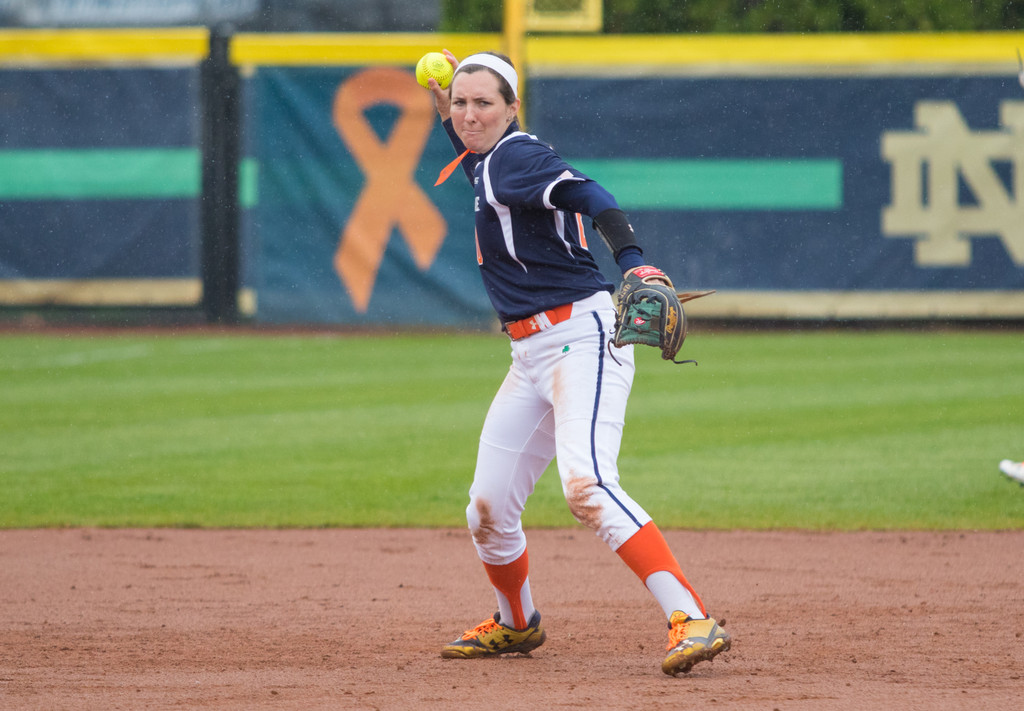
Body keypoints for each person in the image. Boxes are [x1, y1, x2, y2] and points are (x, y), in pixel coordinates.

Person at [424, 49, 731, 676]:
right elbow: (485, 168)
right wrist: (449, 117)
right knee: (487, 506)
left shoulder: (516, 155)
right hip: (529, 352)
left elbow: (592, 195)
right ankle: (516, 625)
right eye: (460, 103)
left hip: (580, 339)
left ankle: (691, 617)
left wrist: (635, 261)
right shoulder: (488, 162)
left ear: (513, 108)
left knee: (587, 483)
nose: (468, 113)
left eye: (484, 103)